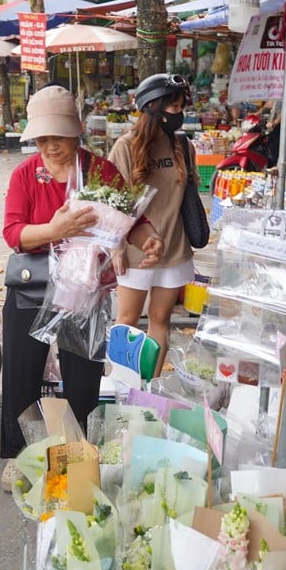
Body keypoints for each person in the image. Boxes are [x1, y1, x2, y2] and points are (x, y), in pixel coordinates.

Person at [0, 85, 162, 483]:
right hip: (33, 288)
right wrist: (54, 229)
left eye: (57, 137)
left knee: (83, 376)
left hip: (87, 290)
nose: (49, 146)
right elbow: (13, 233)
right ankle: (18, 456)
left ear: (75, 132)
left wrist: (148, 241)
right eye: (42, 139)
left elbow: (132, 220)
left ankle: (79, 454)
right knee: (22, 374)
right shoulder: (25, 175)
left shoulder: (101, 171)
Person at [108, 73, 196, 377]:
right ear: (153, 107)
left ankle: (149, 386)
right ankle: (121, 385)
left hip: (174, 248)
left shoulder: (183, 147)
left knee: (161, 319)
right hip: (136, 252)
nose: (179, 114)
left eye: (181, 106)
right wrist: (116, 246)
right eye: (173, 107)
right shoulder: (126, 146)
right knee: (127, 320)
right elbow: (113, 201)